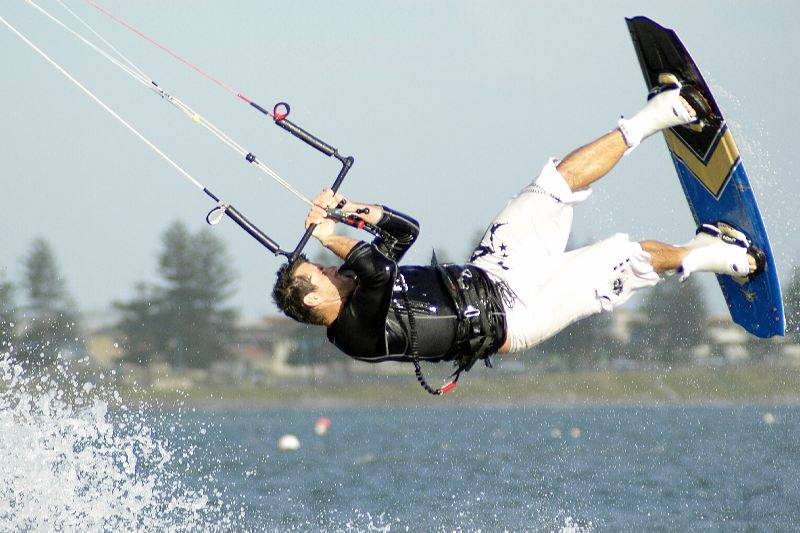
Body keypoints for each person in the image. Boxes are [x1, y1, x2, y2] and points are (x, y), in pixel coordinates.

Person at [272, 83, 761, 394]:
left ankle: (664, 110)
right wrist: (330, 234)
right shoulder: (354, 333)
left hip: (492, 269)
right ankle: (719, 256)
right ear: (316, 295)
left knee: (554, 184)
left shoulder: (357, 282)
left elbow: (404, 232)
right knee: (623, 257)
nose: (333, 267)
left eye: (328, 263)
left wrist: (346, 209)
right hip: (515, 318)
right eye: (324, 270)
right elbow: (376, 268)